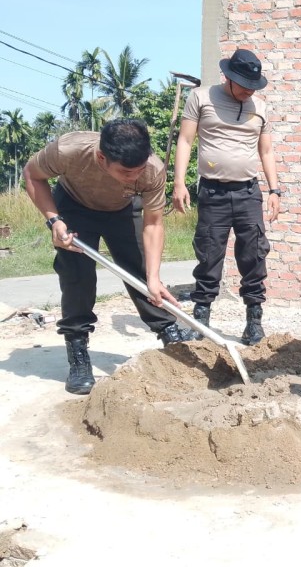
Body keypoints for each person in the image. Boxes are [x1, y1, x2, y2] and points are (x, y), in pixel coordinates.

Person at [22, 119, 192, 395]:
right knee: (77, 275)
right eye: (126, 172)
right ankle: (78, 350)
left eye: (139, 171)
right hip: (74, 206)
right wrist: (54, 221)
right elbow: (32, 173)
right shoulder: (69, 149)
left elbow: (153, 224)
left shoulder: (152, 170)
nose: (135, 177)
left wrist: (154, 276)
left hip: (123, 208)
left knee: (141, 270)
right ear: (102, 158)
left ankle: (168, 332)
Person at [172, 48, 281, 346]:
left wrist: (275, 190)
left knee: (254, 255)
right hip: (213, 191)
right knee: (208, 254)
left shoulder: (260, 106)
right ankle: (201, 320)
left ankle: (254, 322)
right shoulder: (201, 98)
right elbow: (185, 140)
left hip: (248, 192)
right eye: (244, 86)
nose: (248, 92)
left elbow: (266, 151)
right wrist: (178, 182)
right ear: (228, 77)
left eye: (253, 87)